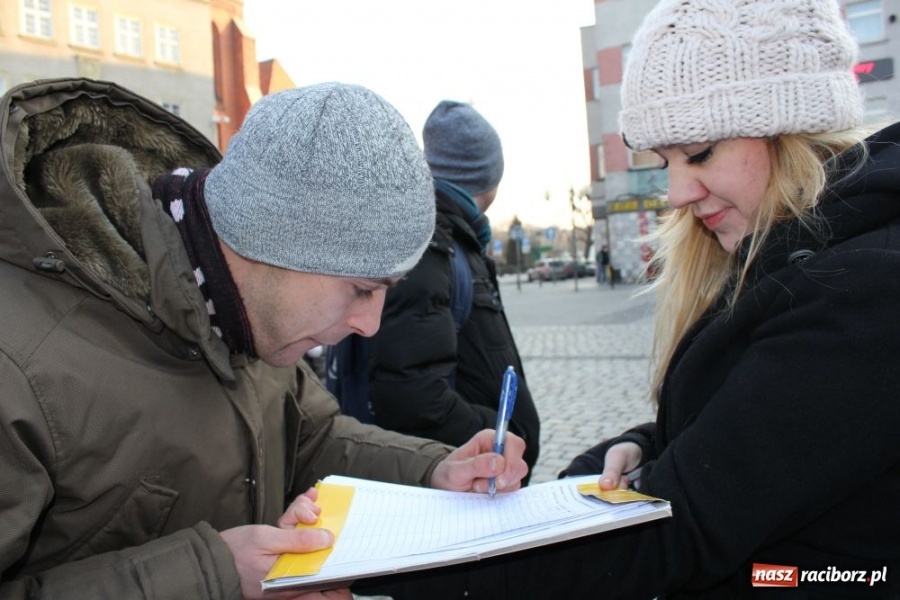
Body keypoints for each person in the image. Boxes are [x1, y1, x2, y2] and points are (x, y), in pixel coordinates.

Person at [364, 0, 900, 597]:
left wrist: (412, 569)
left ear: (793, 127)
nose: (675, 192)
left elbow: (686, 529)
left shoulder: (861, 290)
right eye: (663, 160)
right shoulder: (787, 253)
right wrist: (644, 447)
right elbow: (759, 433)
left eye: (698, 152)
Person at [0, 78, 527, 599]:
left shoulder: (247, 312)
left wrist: (436, 469)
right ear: (272, 244)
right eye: (362, 289)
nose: (370, 325)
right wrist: (214, 578)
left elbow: (310, 439)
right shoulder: (20, 362)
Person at [364, 100, 541, 476]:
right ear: (490, 175)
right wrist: (496, 438)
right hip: (460, 480)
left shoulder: (454, 238)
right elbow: (410, 394)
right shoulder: (429, 247)